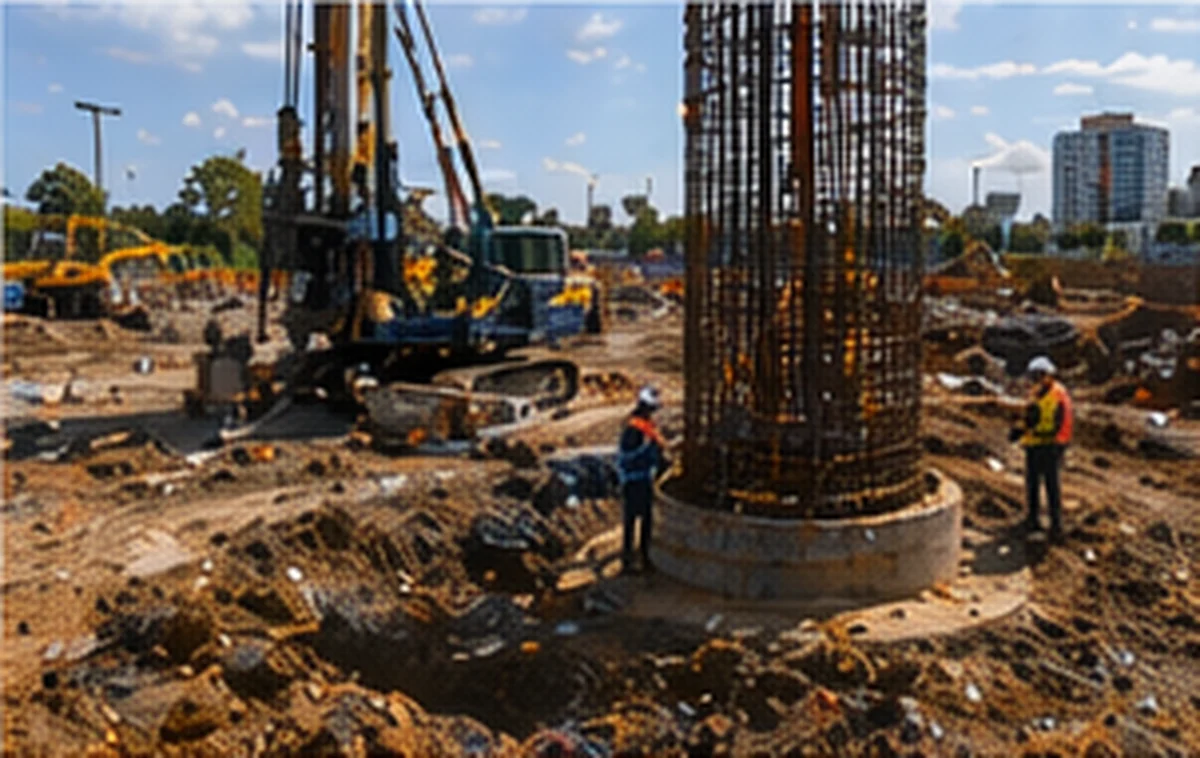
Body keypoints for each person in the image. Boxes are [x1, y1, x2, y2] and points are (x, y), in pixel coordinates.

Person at [1009, 355, 1073, 543]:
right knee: (1032, 483)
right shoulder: (1037, 393)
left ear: (1048, 376)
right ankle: (1033, 519)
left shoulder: (1058, 395)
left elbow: (1057, 425)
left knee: (1051, 485)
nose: (1033, 382)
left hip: (1051, 446)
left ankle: (1056, 525)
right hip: (1034, 445)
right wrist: (1019, 430)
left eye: (1037, 378)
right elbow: (1029, 415)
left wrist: (1032, 431)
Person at [617, 385, 667, 574]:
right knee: (637, 521)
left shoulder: (639, 425)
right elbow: (629, 455)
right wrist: (651, 452)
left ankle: (636, 559)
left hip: (639, 479)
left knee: (640, 521)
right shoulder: (635, 428)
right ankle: (634, 561)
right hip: (635, 480)